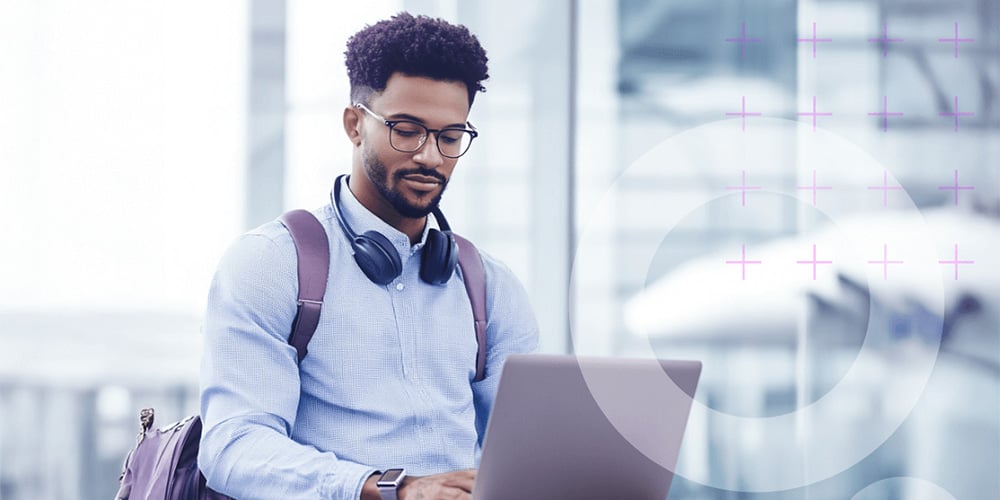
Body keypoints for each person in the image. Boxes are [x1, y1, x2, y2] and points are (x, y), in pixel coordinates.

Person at [198, 12, 539, 500]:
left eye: (450, 136)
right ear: (355, 125)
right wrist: (389, 489)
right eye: (406, 130)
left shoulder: (490, 285)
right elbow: (234, 447)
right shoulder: (270, 264)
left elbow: (524, 450)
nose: (430, 157)